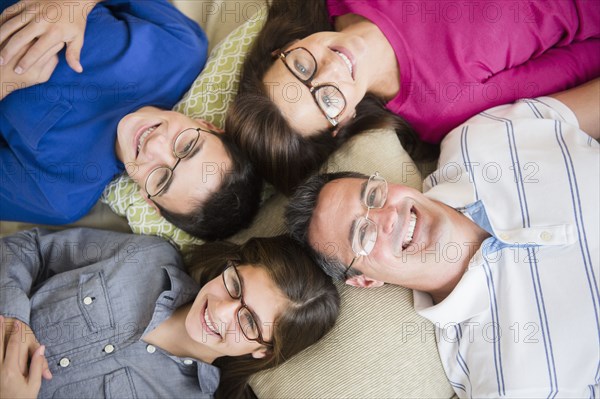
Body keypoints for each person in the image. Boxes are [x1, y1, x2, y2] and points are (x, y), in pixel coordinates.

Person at [285, 79, 600, 396]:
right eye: (362, 234)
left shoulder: (477, 142)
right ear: (365, 280)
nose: (389, 217)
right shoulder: (505, 382)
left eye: (373, 196)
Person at [225, 0, 600, 195]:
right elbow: (583, 60)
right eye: (326, 100)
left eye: (302, 68)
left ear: (286, 47)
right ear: (343, 122)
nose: (330, 71)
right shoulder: (442, 106)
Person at [0, 0, 262, 240]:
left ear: (149, 200)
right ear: (206, 125)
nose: (155, 145)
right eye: (187, 146)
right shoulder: (182, 50)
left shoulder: (61, 196)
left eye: (161, 179)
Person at [0, 228, 340, 399]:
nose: (221, 311)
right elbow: (26, 249)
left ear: (261, 350)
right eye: (235, 285)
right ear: (231, 265)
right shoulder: (148, 257)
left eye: (248, 321)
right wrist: (12, 319)